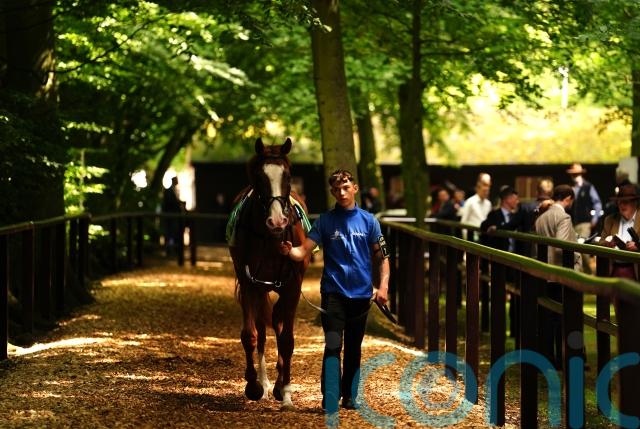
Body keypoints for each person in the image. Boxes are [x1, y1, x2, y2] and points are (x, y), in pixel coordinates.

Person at [278, 169, 390, 412]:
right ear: (332, 192)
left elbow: (383, 258)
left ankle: (350, 396)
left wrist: (383, 287)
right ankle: (330, 396)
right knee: (332, 345)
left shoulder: (370, 221)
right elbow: (303, 250)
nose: (342, 193)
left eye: (346, 187)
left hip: (361, 296)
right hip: (333, 294)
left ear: (355, 188)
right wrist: (290, 251)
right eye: (337, 189)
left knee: (353, 348)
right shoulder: (325, 221)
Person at [534, 184, 582, 368]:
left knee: (547, 318)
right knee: (564, 319)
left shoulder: (541, 217)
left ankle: (547, 358)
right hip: (560, 272)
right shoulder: (563, 217)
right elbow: (562, 245)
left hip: (544, 271)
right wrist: (577, 254)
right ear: (568, 198)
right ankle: (563, 359)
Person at [480, 186, 524, 343]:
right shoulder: (495, 215)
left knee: (516, 296)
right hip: (500, 261)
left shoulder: (517, 216)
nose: (517, 201)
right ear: (507, 199)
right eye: (515, 198)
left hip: (515, 260)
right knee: (499, 295)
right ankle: (498, 330)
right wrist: (492, 229)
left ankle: (515, 330)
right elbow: (483, 226)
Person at [597, 183, 640, 280]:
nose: (622, 205)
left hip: (636, 270)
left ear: (635, 203)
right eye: (619, 202)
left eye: (626, 202)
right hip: (614, 269)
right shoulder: (610, 220)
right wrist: (608, 243)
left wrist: (637, 246)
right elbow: (600, 243)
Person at [567, 163, 602, 273]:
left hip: (584, 223)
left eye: (576, 174)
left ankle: (588, 273)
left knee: (583, 248)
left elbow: (597, 203)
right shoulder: (571, 188)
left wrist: (594, 219)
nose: (575, 176)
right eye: (573, 174)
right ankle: (580, 274)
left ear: (581, 174)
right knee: (576, 250)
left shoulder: (588, 187)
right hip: (573, 223)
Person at [162, 176, 185, 256]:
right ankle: (169, 250)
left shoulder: (174, 190)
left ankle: (173, 250)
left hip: (174, 217)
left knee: (173, 233)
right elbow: (168, 204)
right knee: (170, 233)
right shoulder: (169, 191)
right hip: (171, 217)